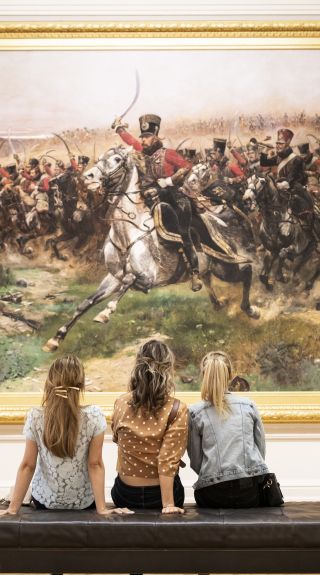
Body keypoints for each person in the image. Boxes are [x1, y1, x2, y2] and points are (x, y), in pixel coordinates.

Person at [0, 355, 132, 517]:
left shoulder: (35, 416)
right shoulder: (94, 415)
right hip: (84, 503)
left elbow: (28, 465)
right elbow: (95, 464)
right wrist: (102, 509)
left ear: (49, 383)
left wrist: (12, 509)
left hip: (44, 502)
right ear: (81, 384)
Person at [113, 114, 202, 292]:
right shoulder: (146, 153)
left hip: (177, 200)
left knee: (183, 233)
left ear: (155, 137)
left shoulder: (168, 153)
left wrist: (168, 181)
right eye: (143, 137)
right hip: (157, 200)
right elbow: (132, 141)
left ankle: (195, 272)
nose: (143, 141)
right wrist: (120, 129)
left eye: (146, 137)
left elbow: (186, 166)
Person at [188, 350, 273, 508]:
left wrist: (214, 475)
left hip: (212, 494)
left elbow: (196, 461)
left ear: (203, 375)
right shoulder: (248, 405)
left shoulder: (195, 412)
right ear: (230, 375)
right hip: (250, 492)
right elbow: (260, 450)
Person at [111, 339, 188, 513]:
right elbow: (167, 460)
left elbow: (118, 440)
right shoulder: (177, 408)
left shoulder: (121, 402)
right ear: (168, 369)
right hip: (160, 496)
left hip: (124, 495)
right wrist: (168, 504)